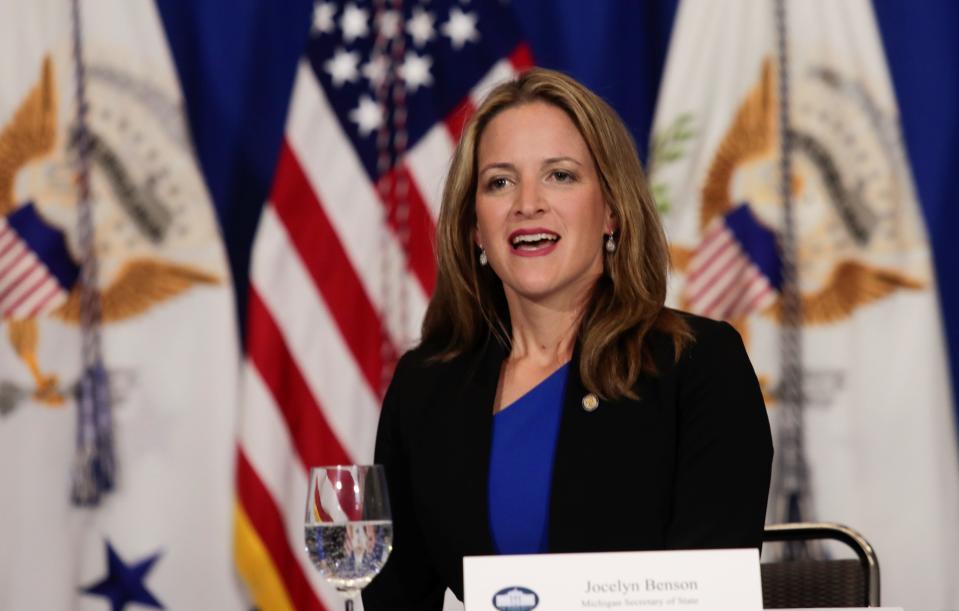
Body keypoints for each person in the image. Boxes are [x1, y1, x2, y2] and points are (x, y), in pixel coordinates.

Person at [362, 68, 773, 610]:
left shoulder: (698, 365)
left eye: (560, 175)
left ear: (611, 212)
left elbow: (705, 595)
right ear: (474, 228)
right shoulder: (426, 386)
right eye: (499, 182)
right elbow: (394, 598)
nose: (527, 203)